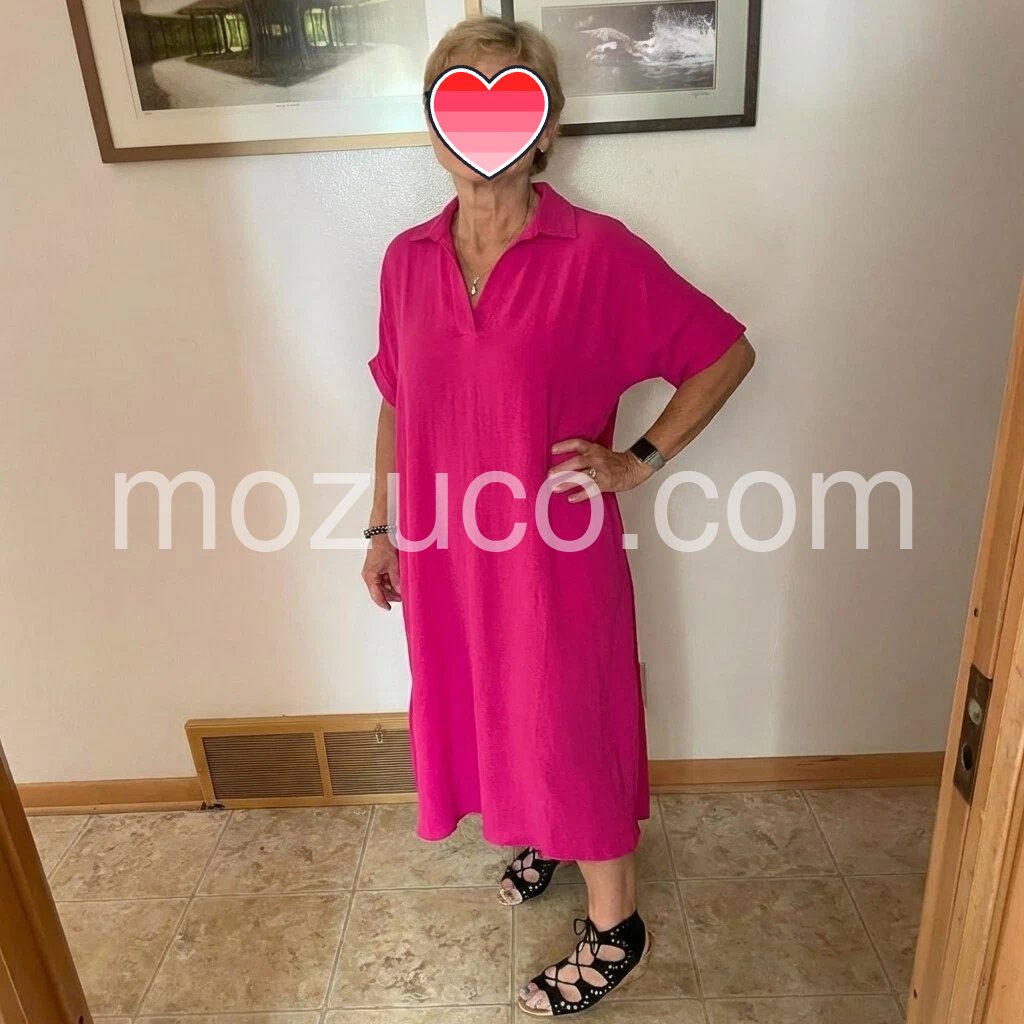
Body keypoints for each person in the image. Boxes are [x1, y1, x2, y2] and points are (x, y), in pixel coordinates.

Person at [362, 15, 755, 1017]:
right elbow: (398, 398)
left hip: (551, 553)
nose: (479, 127)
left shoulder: (596, 253)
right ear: (435, 124)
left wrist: (638, 461)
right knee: (485, 702)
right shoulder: (406, 259)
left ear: (544, 128)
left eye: (507, 101)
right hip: (446, 553)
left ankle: (615, 928)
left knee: (568, 720)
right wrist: (381, 527)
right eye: (457, 99)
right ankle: (540, 832)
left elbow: (723, 353)